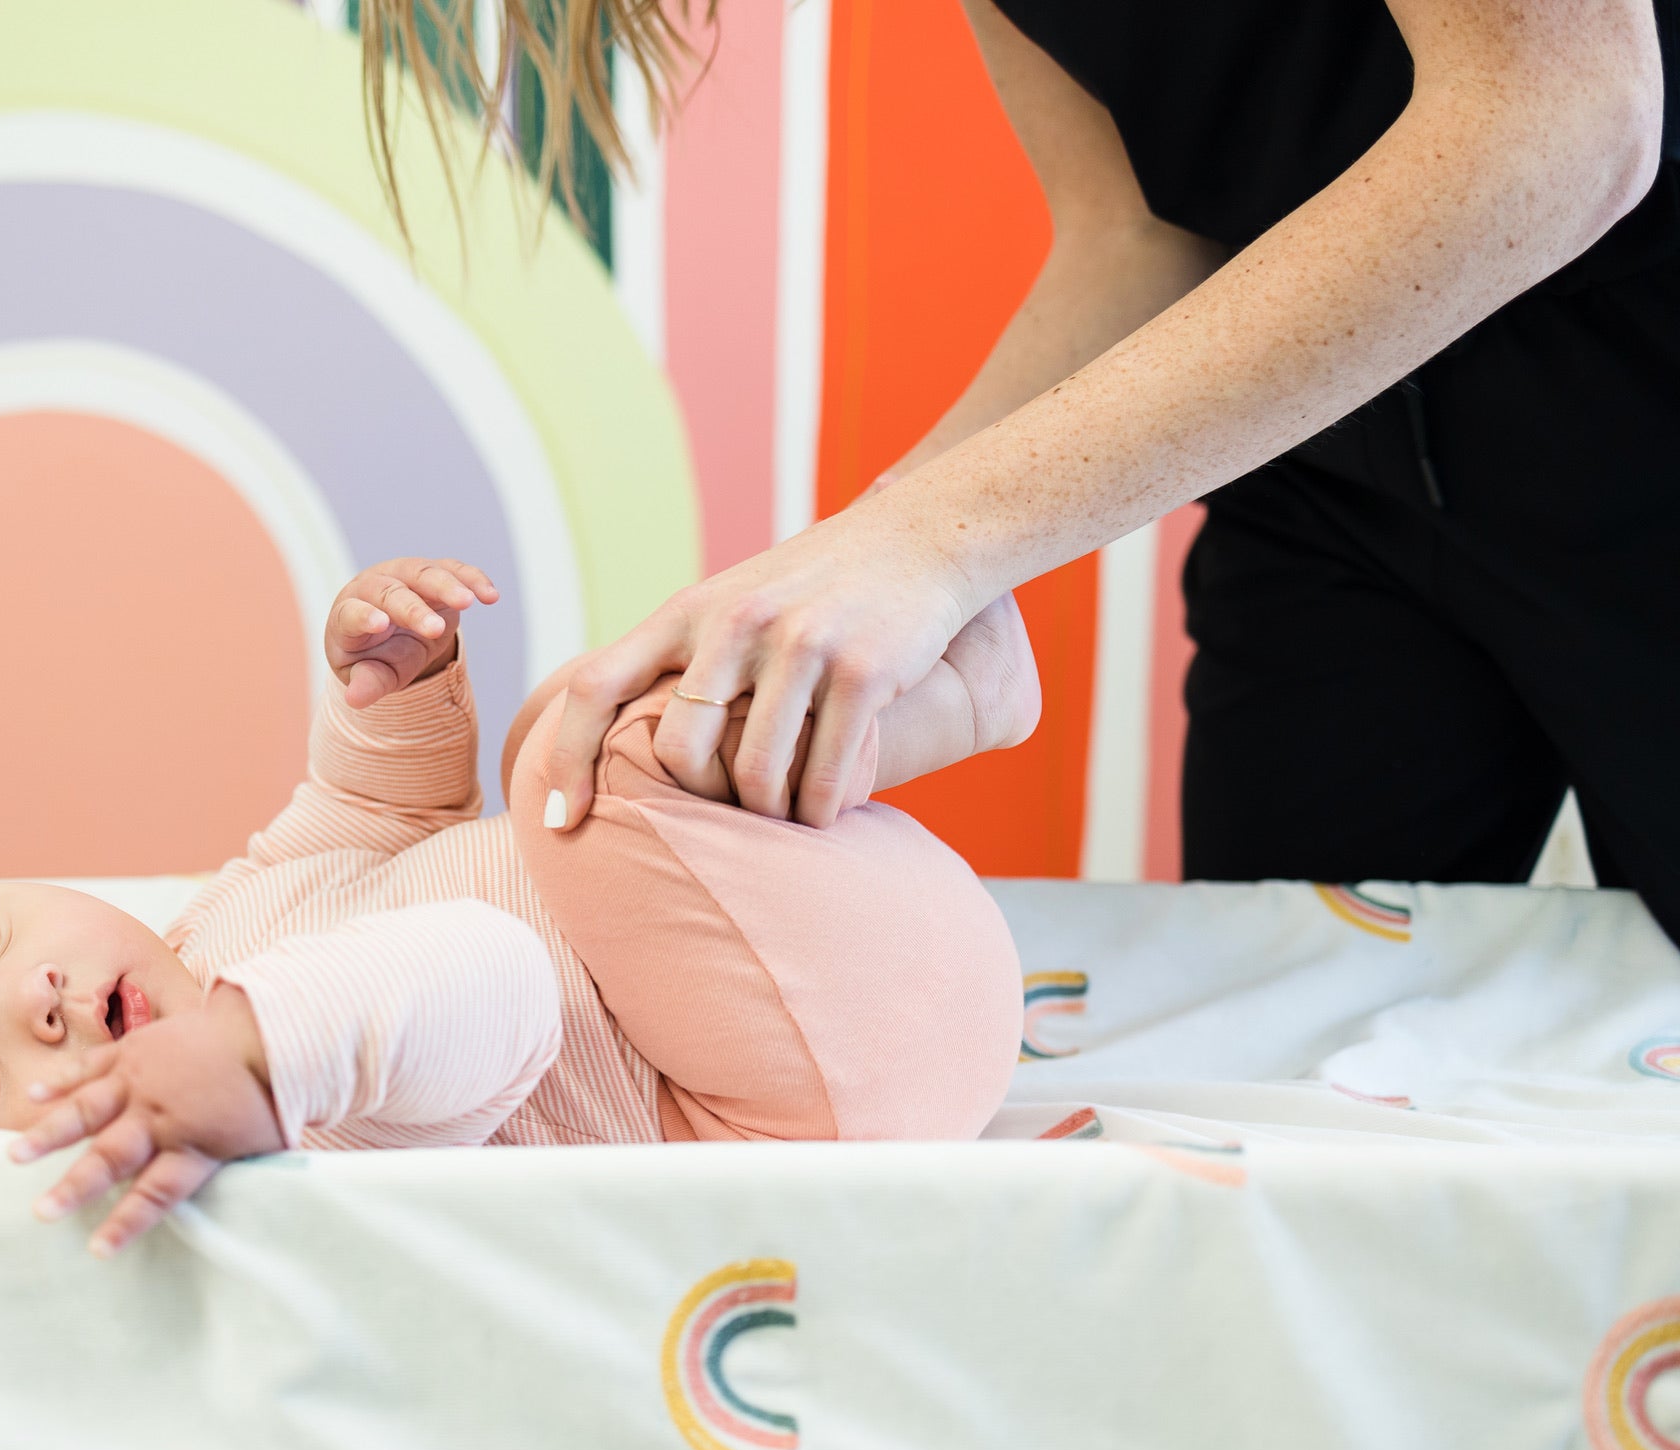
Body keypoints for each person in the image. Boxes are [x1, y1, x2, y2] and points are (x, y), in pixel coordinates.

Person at [371, 0, 1677, 937]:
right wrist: (886, 558)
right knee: (1283, 1066)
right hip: (1329, 466)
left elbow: (1564, 116)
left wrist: (941, 542)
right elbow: (1141, 232)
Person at [0, 557, 1024, 1256]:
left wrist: (391, 693)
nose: (34, 1001)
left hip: (827, 938)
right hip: (792, 1077)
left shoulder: (205, 933)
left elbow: (368, 827)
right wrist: (258, 1060)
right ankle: (939, 703)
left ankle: (942, 703)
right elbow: (495, 978)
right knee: (576, 765)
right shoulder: (284, 1122)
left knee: (567, 729)